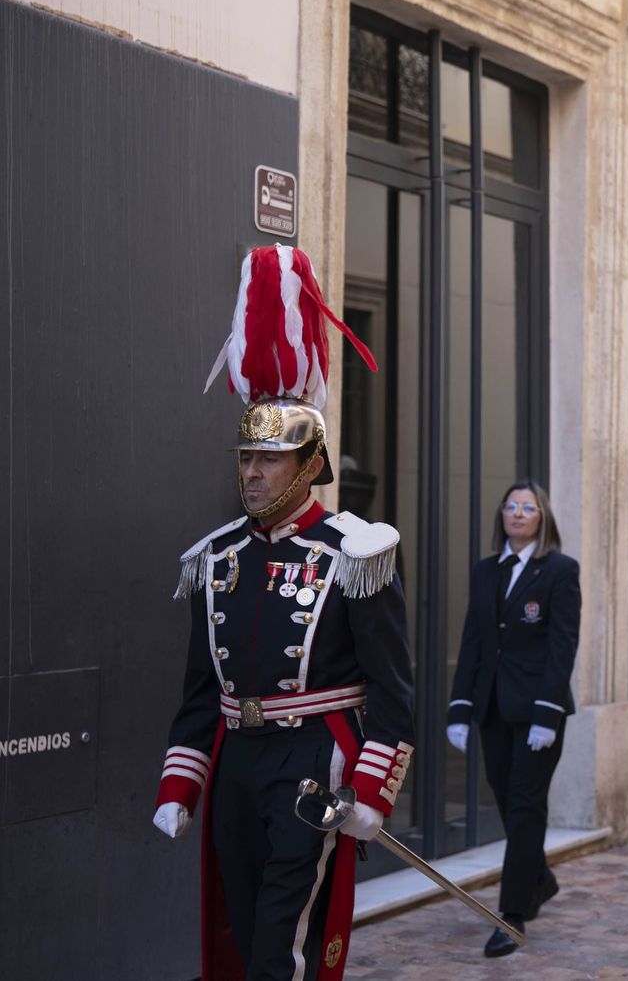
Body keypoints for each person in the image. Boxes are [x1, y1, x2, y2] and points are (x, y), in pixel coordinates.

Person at [154, 244, 414, 980]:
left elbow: (393, 696)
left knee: (281, 942)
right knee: (237, 926)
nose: (252, 472)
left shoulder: (356, 551)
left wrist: (370, 793)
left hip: (314, 762)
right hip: (238, 759)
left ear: (309, 467)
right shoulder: (216, 556)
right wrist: (181, 782)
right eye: (245, 458)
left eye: (269, 460)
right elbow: (202, 690)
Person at [447, 480, 579, 955]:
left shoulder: (560, 571)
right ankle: (538, 878)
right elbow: (472, 641)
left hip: (538, 712)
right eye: (511, 506)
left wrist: (548, 712)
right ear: (501, 515)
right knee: (508, 803)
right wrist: (460, 706)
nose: (518, 514)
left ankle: (512, 914)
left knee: (525, 807)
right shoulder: (486, 571)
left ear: (542, 517)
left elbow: (562, 647)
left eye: (528, 507)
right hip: (493, 709)